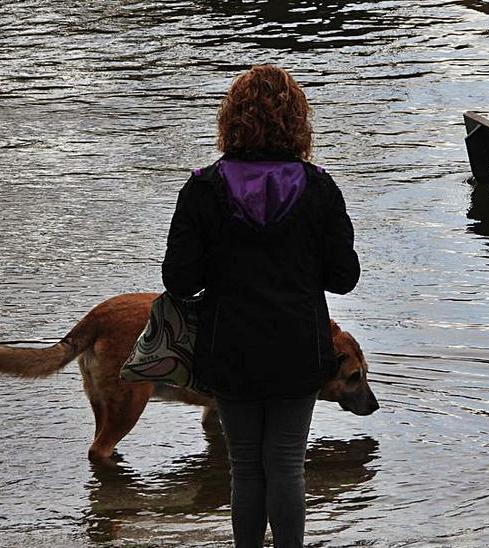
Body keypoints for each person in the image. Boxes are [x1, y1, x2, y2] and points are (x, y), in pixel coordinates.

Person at [161, 64, 360, 548]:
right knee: (288, 466)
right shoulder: (319, 188)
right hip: (298, 348)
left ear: (231, 119)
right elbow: (344, 278)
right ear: (298, 122)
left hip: (229, 348)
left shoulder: (203, 188)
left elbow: (179, 281)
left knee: (245, 468)